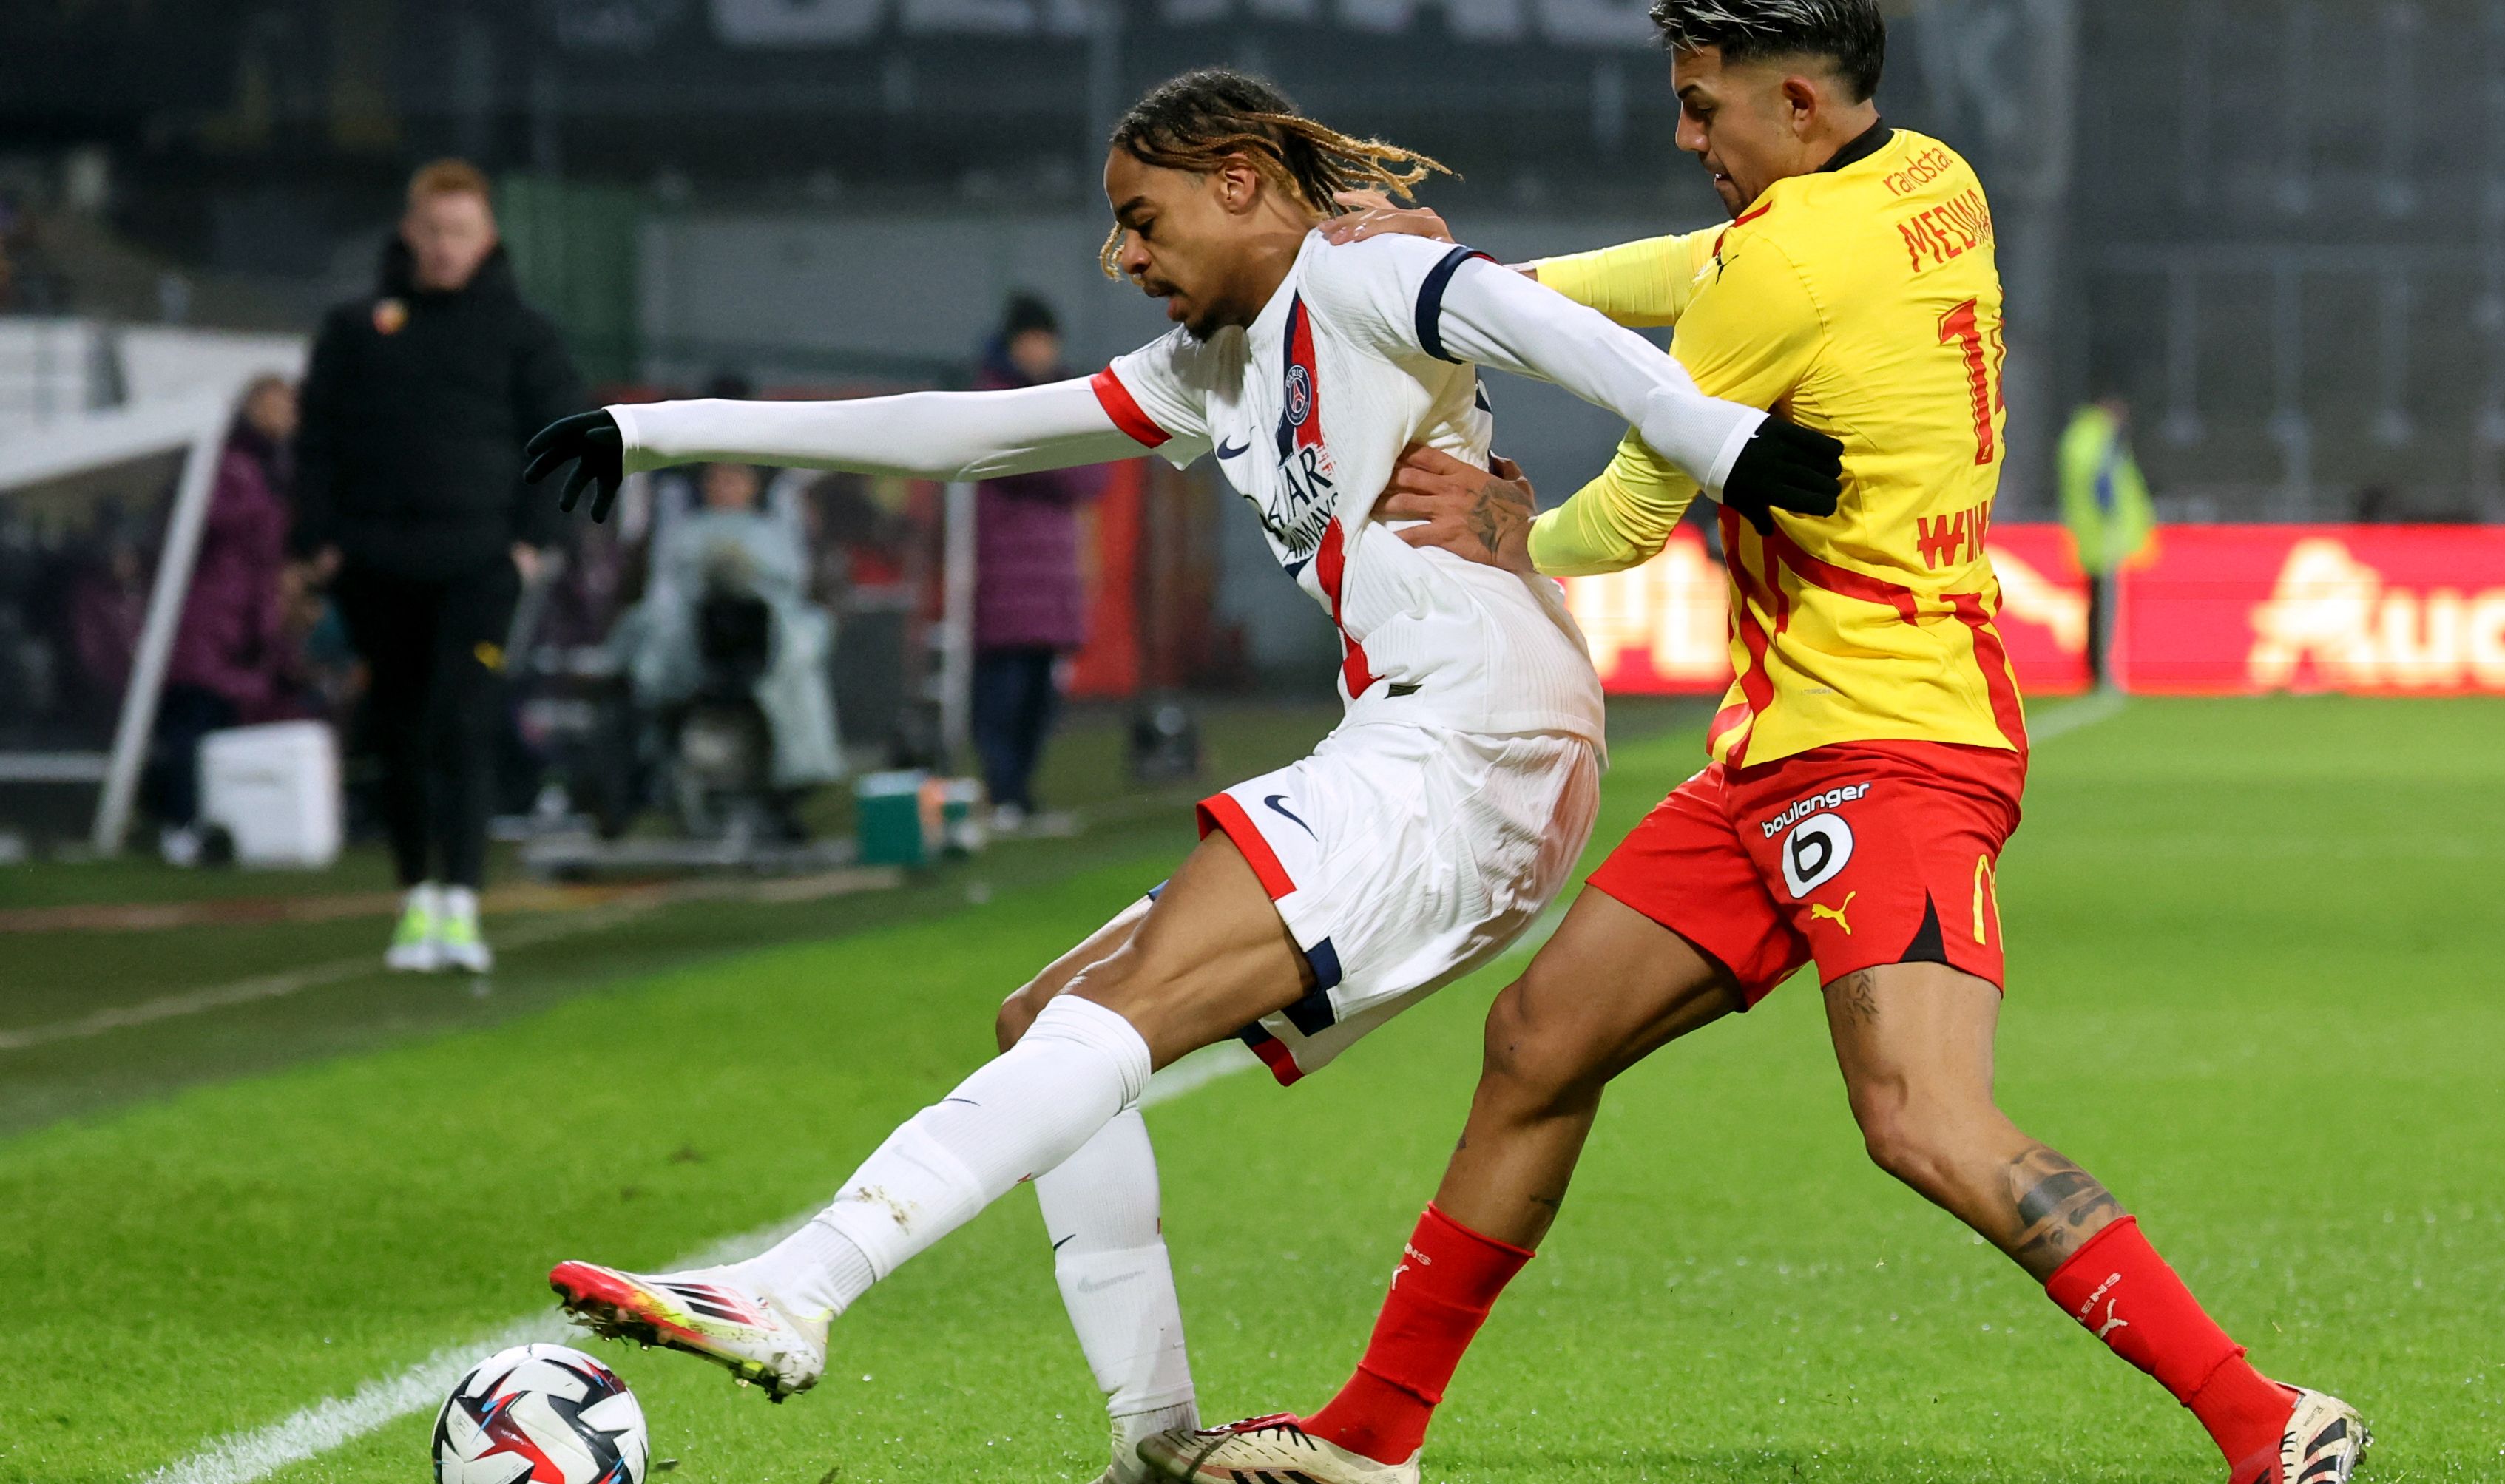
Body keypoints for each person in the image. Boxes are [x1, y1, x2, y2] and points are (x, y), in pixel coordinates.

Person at [520, 68, 1842, 1484]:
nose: (1126, 256)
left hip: (1474, 734)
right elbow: (966, 432)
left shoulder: (1366, 275)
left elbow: (1554, 333)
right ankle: (1154, 1444)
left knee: (1116, 1014)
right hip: (1422, 746)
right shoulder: (1210, 365)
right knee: (1049, 1022)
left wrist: (1733, 448)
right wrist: (659, 429)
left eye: (1142, 220)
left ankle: (796, 1286)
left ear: (1236, 181)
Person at [1146, 8, 2369, 1484]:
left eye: (1697, 106)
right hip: (1784, 745)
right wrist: (1464, 282)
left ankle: (2266, 1419)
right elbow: (1695, 268)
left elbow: (1634, 509)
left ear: (1791, 101)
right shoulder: (1928, 178)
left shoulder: (1776, 270)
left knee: (1923, 1118)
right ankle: (1369, 1438)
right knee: (1538, 1040)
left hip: (1888, 744)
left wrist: (1509, 528)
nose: (1685, 137)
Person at [291, 158, 588, 974]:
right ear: (408, 233)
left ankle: (461, 900)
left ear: (486, 237)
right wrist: (319, 540)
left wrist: (531, 543)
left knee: (463, 722)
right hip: (379, 564)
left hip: (479, 564)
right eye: (432, 230)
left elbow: (568, 438)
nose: (445, 246)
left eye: (460, 230)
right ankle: (414, 896)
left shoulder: (523, 334)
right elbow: (317, 441)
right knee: (398, 729)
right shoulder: (357, 329)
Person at [146, 373, 311, 863]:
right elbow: (205, 520)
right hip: (209, 617)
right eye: (279, 404)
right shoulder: (228, 461)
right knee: (192, 722)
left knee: (221, 724)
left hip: (243, 620)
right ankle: (179, 823)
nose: (289, 415)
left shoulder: (275, 467)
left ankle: (215, 824)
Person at [623, 458, 845, 800]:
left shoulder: (772, 534)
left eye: (734, 479)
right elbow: (668, 590)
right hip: (695, 638)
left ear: (752, 486)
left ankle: (796, 771)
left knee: (799, 660)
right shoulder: (686, 532)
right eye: (717, 480)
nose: (725, 488)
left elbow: (791, 588)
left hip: (767, 637)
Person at [972, 293, 1109, 834]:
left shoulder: (1062, 396)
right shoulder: (991, 398)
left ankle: (1021, 794)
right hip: (1004, 577)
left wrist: (1058, 454)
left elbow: (1093, 472)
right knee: (1002, 692)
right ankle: (1001, 791)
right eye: (1032, 340)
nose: (1041, 351)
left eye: (1047, 341)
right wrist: (1064, 452)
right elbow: (1032, 463)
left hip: (1051, 579)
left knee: (1039, 696)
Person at [2057, 396, 2154, 689]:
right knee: (2102, 607)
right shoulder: (2096, 439)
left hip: (2096, 535)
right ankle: (2100, 671)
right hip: (2101, 536)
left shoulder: (2084, 437)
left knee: (2101, 606)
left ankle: (2100, 670)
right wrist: (2108, 506)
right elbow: (2099, 481)